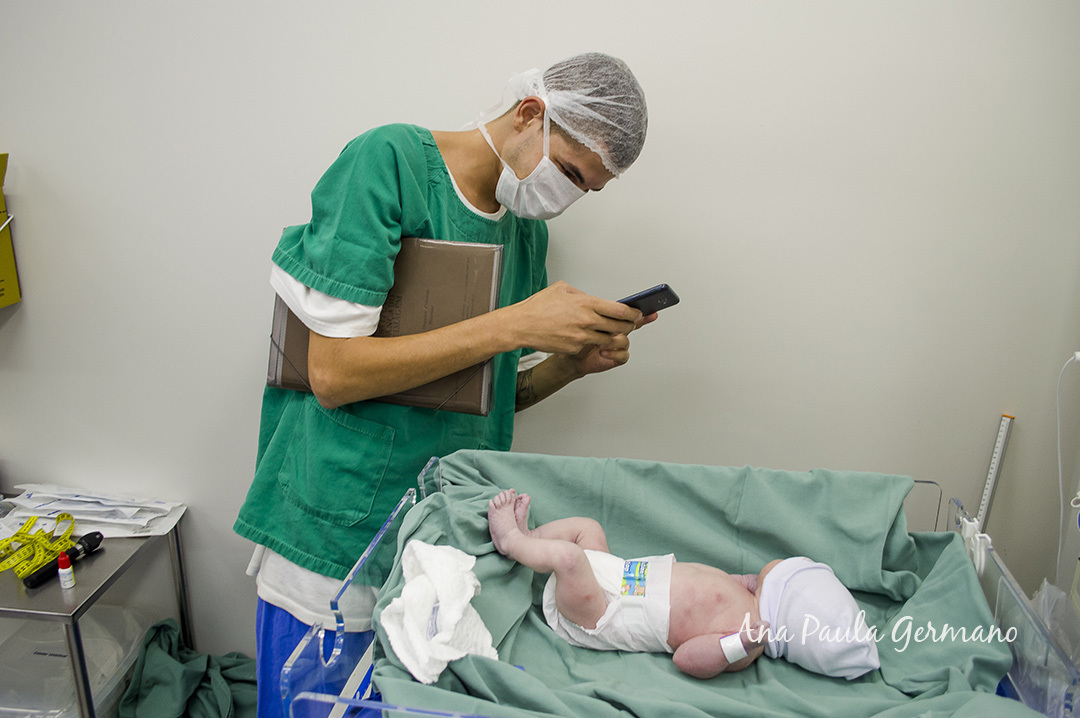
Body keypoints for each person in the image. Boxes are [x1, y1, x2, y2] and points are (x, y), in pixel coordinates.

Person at [234, 53, 650, 717]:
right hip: (336, 530)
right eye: (571, 171)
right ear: (529, 114)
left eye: (587, 189)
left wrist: (569, 365)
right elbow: (332, 373)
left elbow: (484, 399)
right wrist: (514, 323)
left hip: (435, 547)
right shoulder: (390, 163)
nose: (568, 196)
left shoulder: (525, 236)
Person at [487, 489, 881, 680]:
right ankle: (531, 537)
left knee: (570, 559)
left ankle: (511, 542)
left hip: (604, 614)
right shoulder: (745, 594)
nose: (771, 567)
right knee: (587, 531)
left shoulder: (747, 643)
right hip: (621, 575)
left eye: (779, 574)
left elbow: (687, 659)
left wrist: (735, 645)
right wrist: (738, 581)